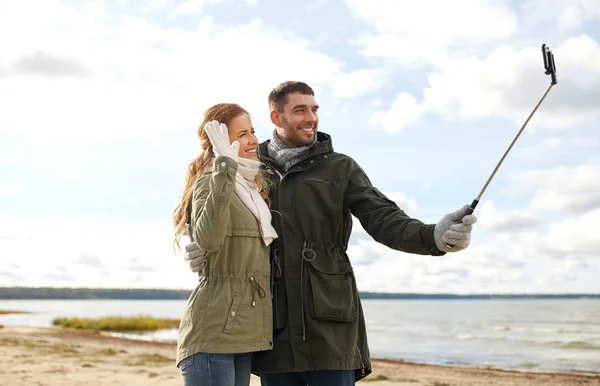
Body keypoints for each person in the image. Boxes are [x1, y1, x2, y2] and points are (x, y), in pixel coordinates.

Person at [183, 82, 477, 386]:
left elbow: (385, 219)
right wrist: (193, 245)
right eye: (300, 110)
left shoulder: (340, 168)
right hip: (273, 330)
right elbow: (207, 202)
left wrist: (433, 237)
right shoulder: (251, 168)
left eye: (314, 109)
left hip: (330, 323)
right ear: (276, 117)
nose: (311, 117)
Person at [172, 103, 278, 386]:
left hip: (240, 335)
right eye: (243, 134)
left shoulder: (252, 190)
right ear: (221, 144)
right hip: (213, 335)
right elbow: (207, 238)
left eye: (253, 131)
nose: (254, 140)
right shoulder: (212, 182)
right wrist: (224, 166)